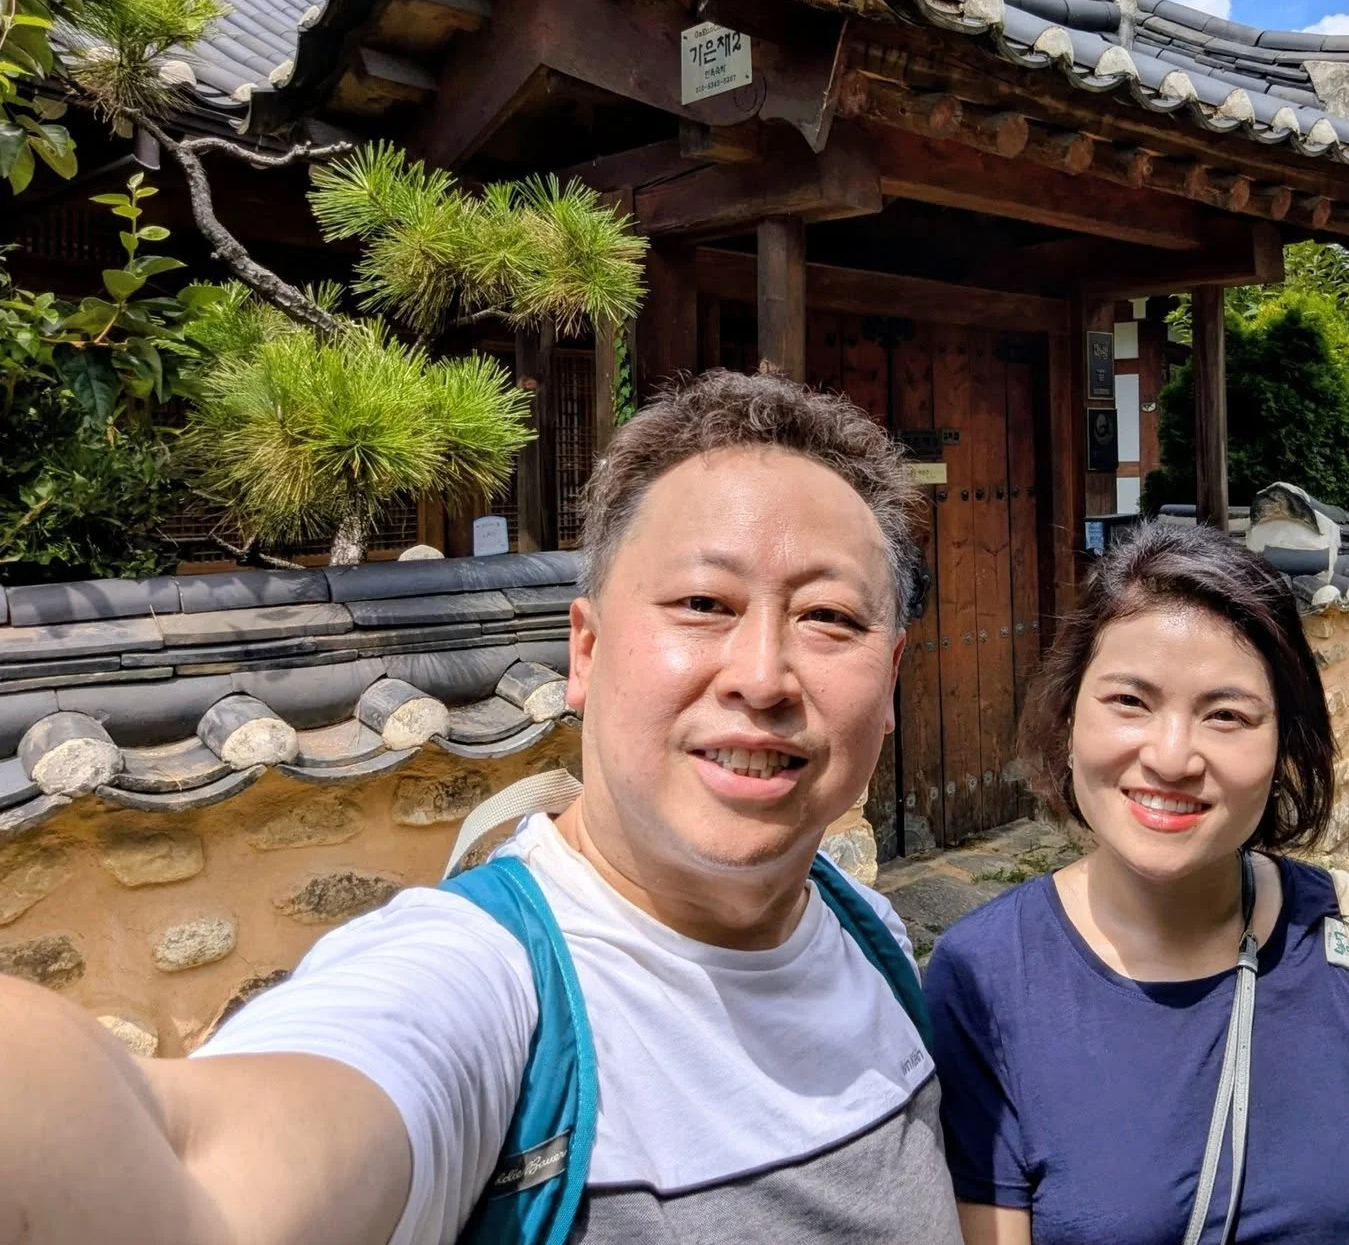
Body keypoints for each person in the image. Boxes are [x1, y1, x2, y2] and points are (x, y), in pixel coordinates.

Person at [0, 371, 962, 1244]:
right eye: (704, 604)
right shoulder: (487, 989)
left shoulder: (868, 936)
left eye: (829, 617)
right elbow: (199, 1183)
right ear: (585, 653)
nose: (762, 676)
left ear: (889, 681)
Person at [924, 524, 1349, 1245]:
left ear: (1283, 741)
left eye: (1227, 715)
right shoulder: (982, 976)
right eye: (1129, 701)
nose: (1172, 758)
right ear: (1070, 718)